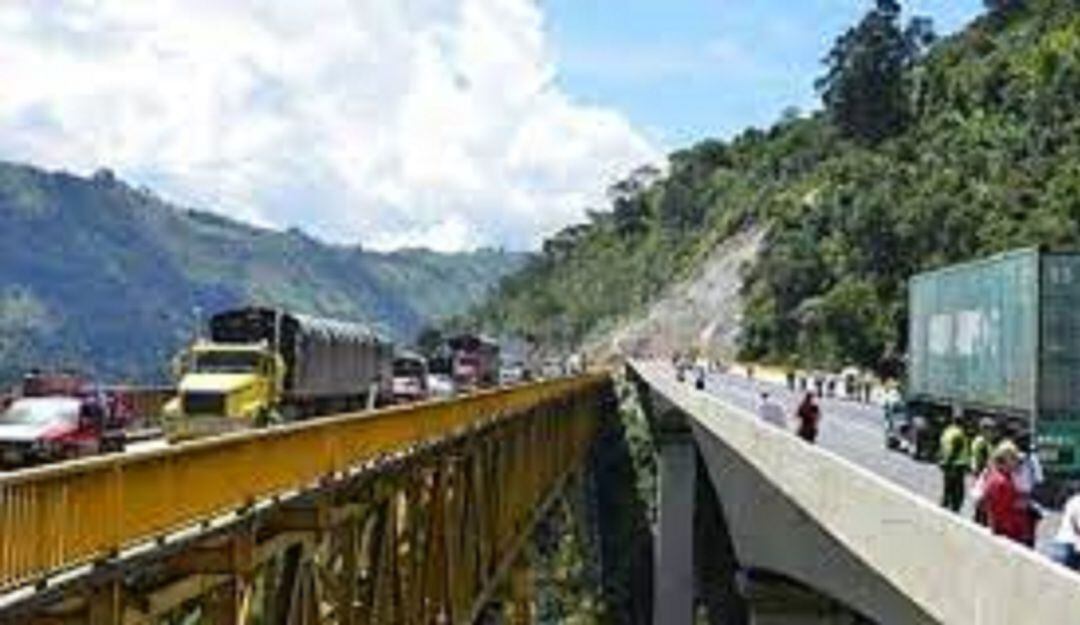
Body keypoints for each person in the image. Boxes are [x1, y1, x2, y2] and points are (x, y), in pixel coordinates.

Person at [982, 441, 1031, 544]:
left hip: (1005, 531)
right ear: (1004, 460)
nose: (1017, 462)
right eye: (1013, 458)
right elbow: (1003, 510)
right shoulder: (1001, 482)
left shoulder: (998, 476)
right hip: (1009, 533)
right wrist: (1020, 503)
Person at [1011, 437, 1045, 547]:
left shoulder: (1010, 457)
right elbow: (1039, 479)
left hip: (1011, 497)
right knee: (1028, 534)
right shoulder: (1032, 459)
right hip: (1026, 498)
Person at [938, 412, 969, 512]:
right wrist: (949, 463)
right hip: (956, 466)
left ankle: (944, 506)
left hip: (947, 464)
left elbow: (943, 447)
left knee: (947, 488)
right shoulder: (959, 434)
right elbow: (955, 450)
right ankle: (954, 510)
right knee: (957, 491)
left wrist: (942, 462)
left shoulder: (947, 431)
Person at [1048, 490, 1080, 571]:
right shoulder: (1077, 501)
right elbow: (1076, 525)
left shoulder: (1074, 500)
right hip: (1069, 545)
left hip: (1067, 544)